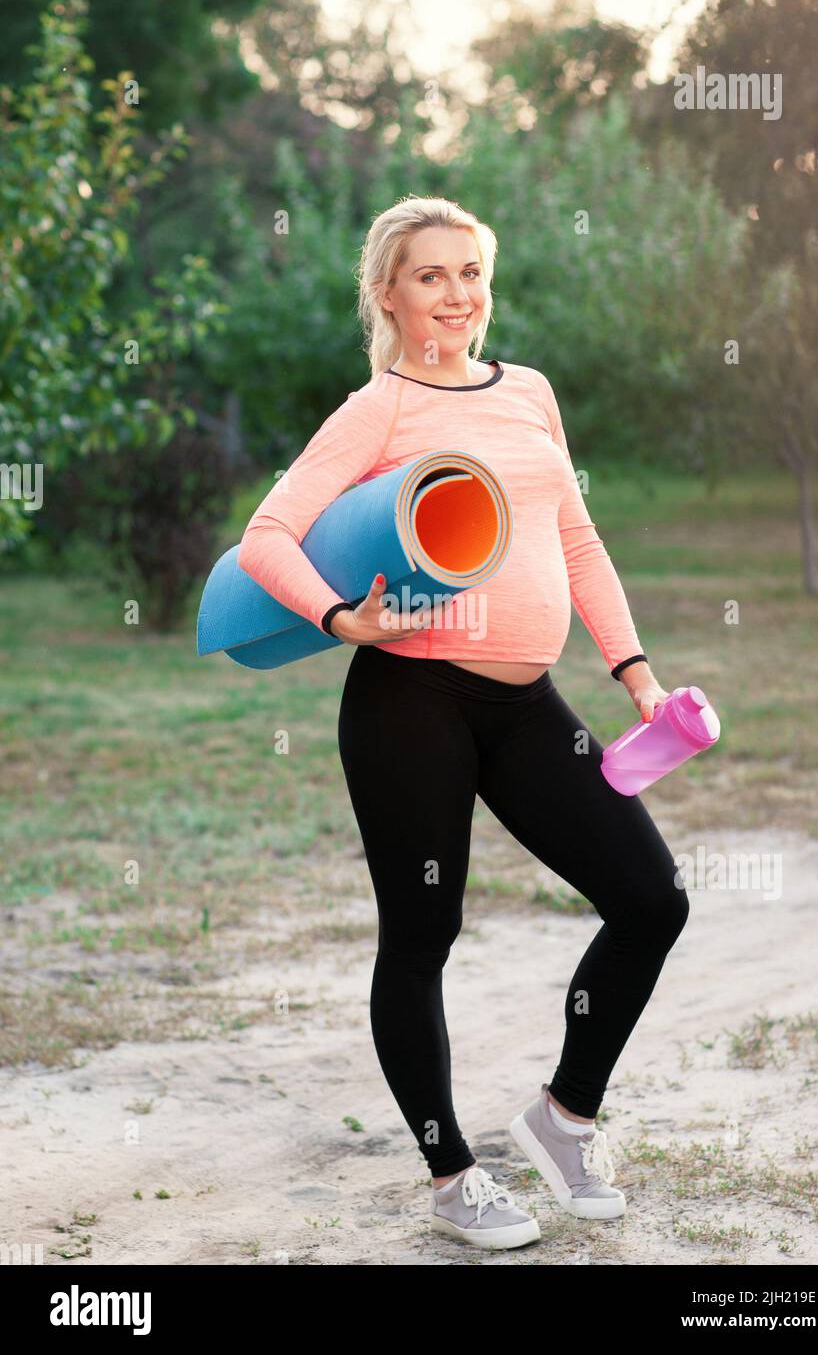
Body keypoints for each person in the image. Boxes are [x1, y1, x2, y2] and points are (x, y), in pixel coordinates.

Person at [237, 195, 689, 1250]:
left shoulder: (526, 391)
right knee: (422, 933)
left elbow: (574, 535)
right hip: (410, 700)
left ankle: (563, 1116)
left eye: (469, 272)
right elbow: (268, 535)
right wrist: (342, 615)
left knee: (650, 896)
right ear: (388, 295)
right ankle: (451, 1175)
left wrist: (634, 673)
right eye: (429, 275)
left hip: (524, 700)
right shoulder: (377, 407)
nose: (455, 294)